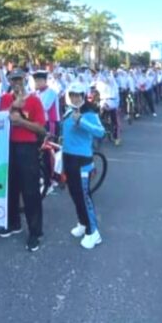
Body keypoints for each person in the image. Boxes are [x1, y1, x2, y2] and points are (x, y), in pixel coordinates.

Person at [0, 68, 46, 252]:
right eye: (13, 79)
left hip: (27, 148)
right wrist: (13, 107)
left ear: (25, 79)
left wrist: (22, 122)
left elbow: (41, 129)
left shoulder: (34, 100)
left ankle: (35, 232)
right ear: (9, 81)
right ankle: (13, 223)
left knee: (30, 192)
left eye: (19, 79)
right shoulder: (4, 99)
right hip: (7, 147)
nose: (16, 82)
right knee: (10, 188)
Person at [61, 82, 105, 249]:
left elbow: (100, 132)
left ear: (83, 95)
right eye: (72, 94)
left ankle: (93, 232)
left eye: (78, 95)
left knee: (84, 196)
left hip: (82, 162)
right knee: (74, 194)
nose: (75, 98)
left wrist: (82, 122)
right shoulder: (68, 111)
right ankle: (83, 222)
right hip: (68, 158)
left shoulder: (90, 113)